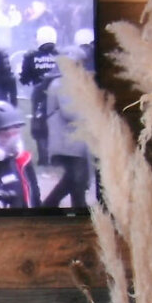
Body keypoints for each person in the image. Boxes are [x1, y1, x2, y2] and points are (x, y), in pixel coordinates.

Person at [41, 64, 90, 208]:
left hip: (70, 139)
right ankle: (51, 205)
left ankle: (74, 207)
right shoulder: (64, 84)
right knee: (77, 177)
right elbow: (70, 112)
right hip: (68, 140)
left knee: (76, 178)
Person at [20, 25, 59, 167]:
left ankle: (44, 158)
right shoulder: (61, 55)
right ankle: (55, 157)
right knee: (57, 124)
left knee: (39, 126)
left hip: (40, 95)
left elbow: (24, 79)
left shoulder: (31, 56)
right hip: (59, 94)